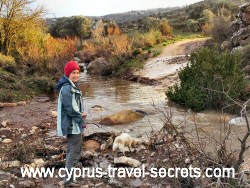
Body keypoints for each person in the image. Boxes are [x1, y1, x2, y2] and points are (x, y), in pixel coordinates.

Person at [56, 60, 86, 187]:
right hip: (73, 125)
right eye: (73, 72)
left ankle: (69, 179)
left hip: (74, 124)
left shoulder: (71, 86)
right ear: (68, 74)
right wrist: (81, 120)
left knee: (72, 151)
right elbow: (71, 109)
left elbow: (75, 107)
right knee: (74, 152)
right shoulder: (67, 88)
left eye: (78, 72)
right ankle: (68, 181)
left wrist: (81, 113)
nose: (76, 75)